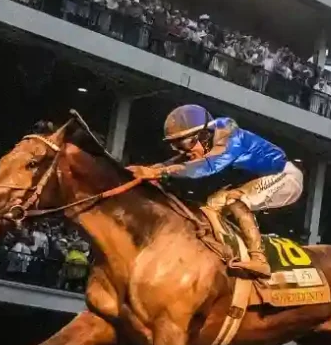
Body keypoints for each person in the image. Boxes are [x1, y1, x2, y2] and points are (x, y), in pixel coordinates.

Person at [129, 104, 304, 278]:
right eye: (176, 145)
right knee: (210, 207)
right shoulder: (205, 142)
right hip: (259, 178)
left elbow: (207, 167)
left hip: (286, 176)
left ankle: (259, 260)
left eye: (185, 143)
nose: (183, 151)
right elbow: (178, 162)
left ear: (204, 135)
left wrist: (159, 172)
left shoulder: (231, 140)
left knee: (235, 199)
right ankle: (229, 252)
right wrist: (146, 170)